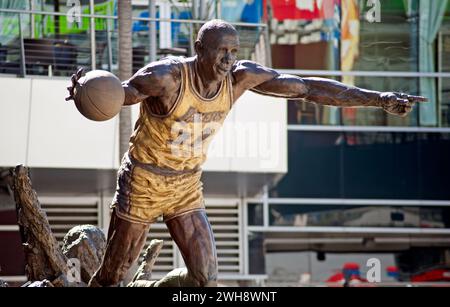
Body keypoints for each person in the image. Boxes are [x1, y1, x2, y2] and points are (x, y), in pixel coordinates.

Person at [65, 19, 426, 287]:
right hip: (143, 181)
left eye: (234, 51)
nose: (228, 59)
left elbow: (307, 89)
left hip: (185, 186)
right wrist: (87, 87)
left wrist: (377, 99)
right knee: (112, 277)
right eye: (221, 50)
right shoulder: (167, 77)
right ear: (199, 48)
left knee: (206, 278)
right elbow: (122, 94)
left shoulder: (239, 78)